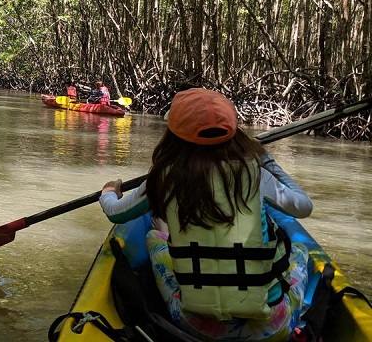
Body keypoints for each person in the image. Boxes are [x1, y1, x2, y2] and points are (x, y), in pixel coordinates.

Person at [100, 88, 313, 341]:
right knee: (301, 251)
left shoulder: (164, 178)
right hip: (269, 330)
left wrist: (109, 191)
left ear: (174, 135)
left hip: (198, 327)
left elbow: (115, 213)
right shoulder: (257, 175)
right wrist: (268, 163)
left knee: (156, 238)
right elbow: (304, 206)